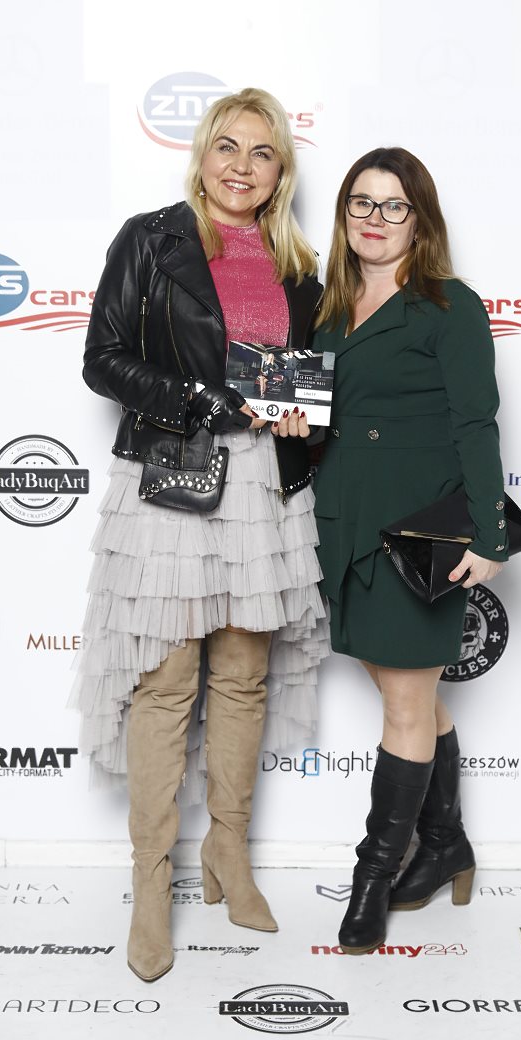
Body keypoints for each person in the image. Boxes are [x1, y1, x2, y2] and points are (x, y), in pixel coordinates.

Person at [70, 88, 328, 982]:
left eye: (261, 152)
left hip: (264, 488)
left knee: (245, 677)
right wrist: (198, 398)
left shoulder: (300, 264)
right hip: (175, 474)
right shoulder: (152, 239)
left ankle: (229, 853)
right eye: (227, 146)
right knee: (167, 682)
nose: (240, 167)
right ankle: (152, 884)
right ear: (202, 155)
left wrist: (302, 420)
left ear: (280, 171)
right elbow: (103, 359)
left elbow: (302, 383)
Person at [312, 147, 507, 955]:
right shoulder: (328, 306)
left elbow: (476, 423)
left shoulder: (449, 307)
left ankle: (374, 877)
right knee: (410, 696)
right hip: (340, 523)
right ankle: (448, 843)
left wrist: (490, 534)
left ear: (419, 219)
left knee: (403, 704)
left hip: (418, 533)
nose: (375, 218)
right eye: (361, 202)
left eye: (394, 205)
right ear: (344, 214)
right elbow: (319, 417)